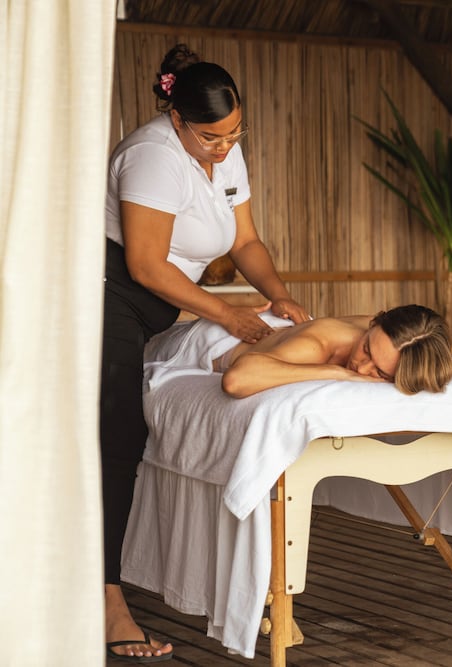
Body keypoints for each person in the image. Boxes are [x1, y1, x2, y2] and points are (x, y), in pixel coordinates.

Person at [102, 44, 309, 661]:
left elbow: (244, 240)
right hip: (106, 294)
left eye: (235, 133)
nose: (224, 146)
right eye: (212, 136)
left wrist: (278, 295)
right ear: (176, 118)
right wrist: (226, 314)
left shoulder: (222, 152)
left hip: (152, 308)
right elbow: (145, 264)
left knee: (125, 435)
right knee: (116, 437)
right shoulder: (152, 155)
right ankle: (106, 605)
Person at [216, 304, 452, 398]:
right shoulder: (320, 343)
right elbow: (237, 380)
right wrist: (336, 372)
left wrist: (439, 367)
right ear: (374, 323)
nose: (361, 368)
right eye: (366, 349)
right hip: (215, 340)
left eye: (381, 373)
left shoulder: (413, 342)